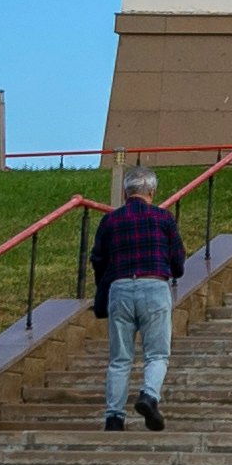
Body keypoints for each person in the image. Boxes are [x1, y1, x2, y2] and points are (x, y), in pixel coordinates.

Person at [86, 169, 186, 429]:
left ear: (125, 192)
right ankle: (149, 396)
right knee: (157, 354)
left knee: (120, 358)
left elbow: (98, 259)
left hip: (119, 288)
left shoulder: (110, 221)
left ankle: (114, 417)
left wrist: (104, 287)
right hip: (154, 285)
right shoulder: (163, 218)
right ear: (151, 192)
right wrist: (173, 269)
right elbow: (177, 260)